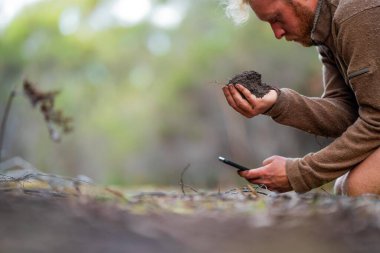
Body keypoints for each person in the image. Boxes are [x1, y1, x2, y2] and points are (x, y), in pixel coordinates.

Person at [222, 0, 380, 196]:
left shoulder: (356, 12)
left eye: (276, 18)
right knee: (346, 187)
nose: (277, 33)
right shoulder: (325, 29)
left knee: (359, 187)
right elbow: (348, 112)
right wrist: (277, 103)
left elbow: (376, 118)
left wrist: (299, 173)